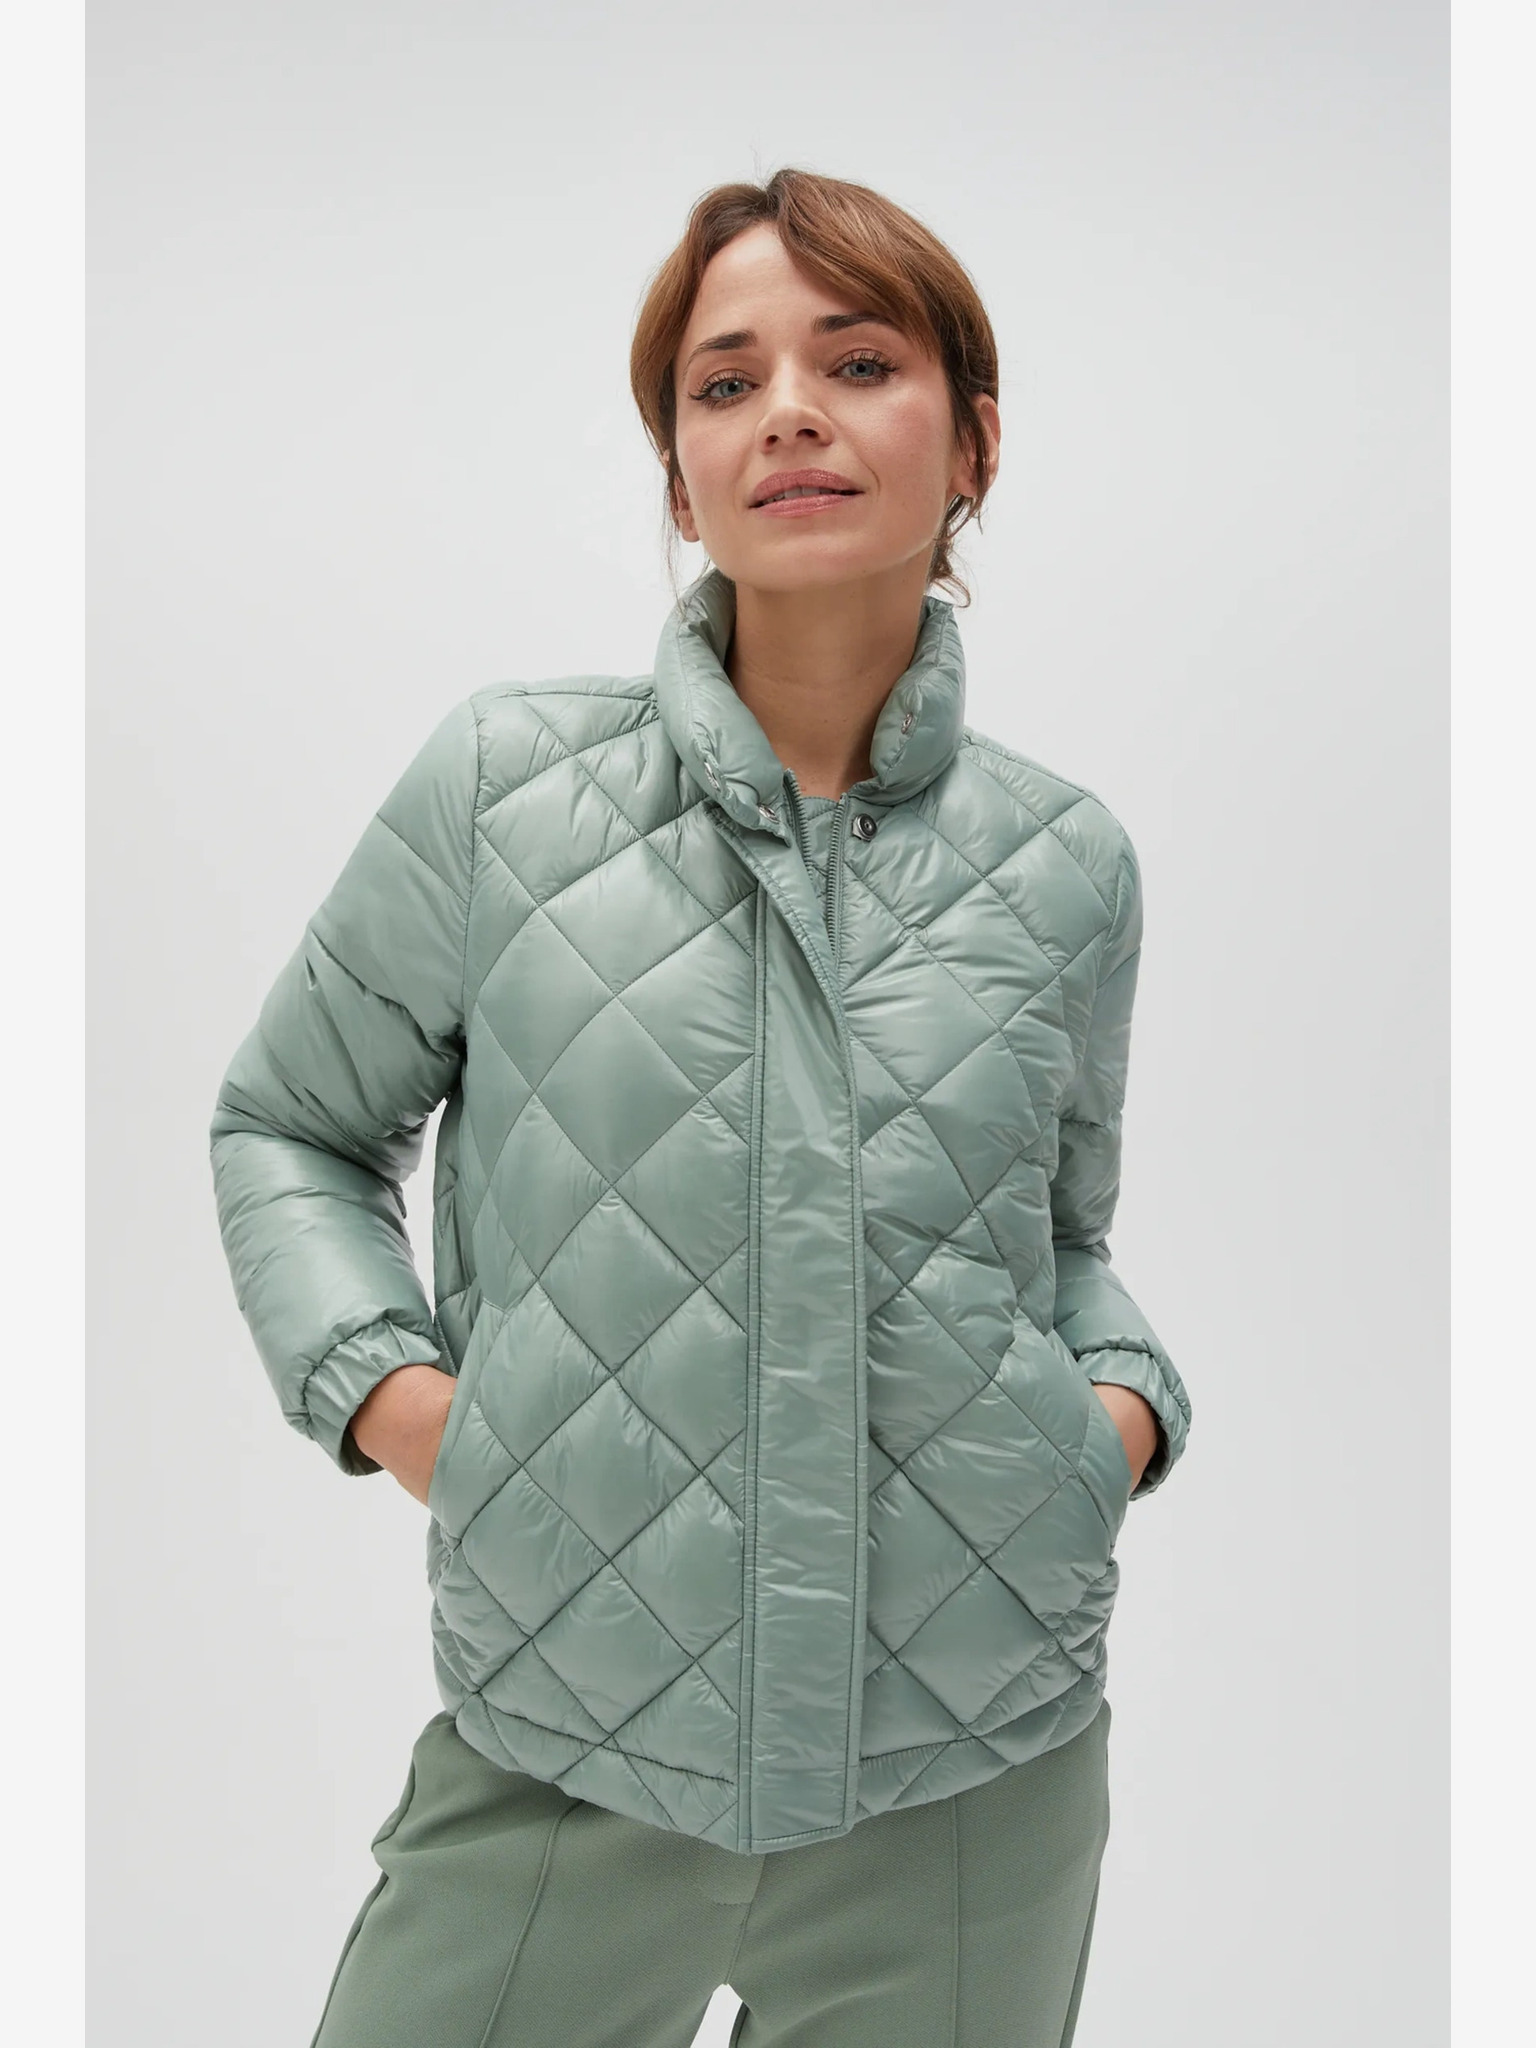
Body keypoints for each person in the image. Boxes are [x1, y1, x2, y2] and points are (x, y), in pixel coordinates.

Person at [209, 165, 1192, 2048]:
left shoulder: (1068, 864)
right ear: (681, 481)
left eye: (860, 363)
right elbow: (290, 1129)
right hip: (564, 1739)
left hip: (977, 1770)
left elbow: (1058, 1242)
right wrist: (413, 1414)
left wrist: (1119, 1420)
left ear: (975, 444)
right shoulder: (505, 790)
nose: (790, 413)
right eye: (727, 384)